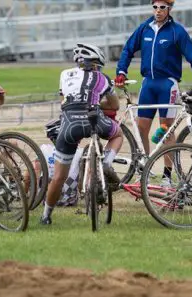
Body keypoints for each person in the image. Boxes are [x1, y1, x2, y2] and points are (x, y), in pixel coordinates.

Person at [115, 0, 192, 186]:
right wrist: (121, 71)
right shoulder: (144, 28)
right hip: (148, 84)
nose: (157, 11)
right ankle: (144, 170)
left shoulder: (177, 31)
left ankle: (167, 176)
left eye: (162, 7)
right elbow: (128, 49)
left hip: (167, 85)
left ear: (169, 9)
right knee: (141, 129)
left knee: (166, 131)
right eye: (155, 7)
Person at [41, 43, 122, 226]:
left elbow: (64, 102)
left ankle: (46, 215)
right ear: (95, 64)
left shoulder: (64, 75)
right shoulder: (103, 78)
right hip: (94, 119)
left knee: (59, 177)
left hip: (69, 124)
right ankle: (107, 163)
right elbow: (115, 106)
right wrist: (96, 103)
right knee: (117, 135)